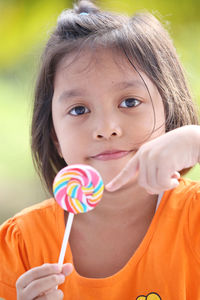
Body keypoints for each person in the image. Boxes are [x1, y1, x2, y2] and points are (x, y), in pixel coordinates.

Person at [0, 0, 200, 299]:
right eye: (79, 109)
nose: (106, 128)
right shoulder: (21, 243)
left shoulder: (193, 217)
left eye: (130, 102)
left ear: (169, 112)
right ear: (53, 133)